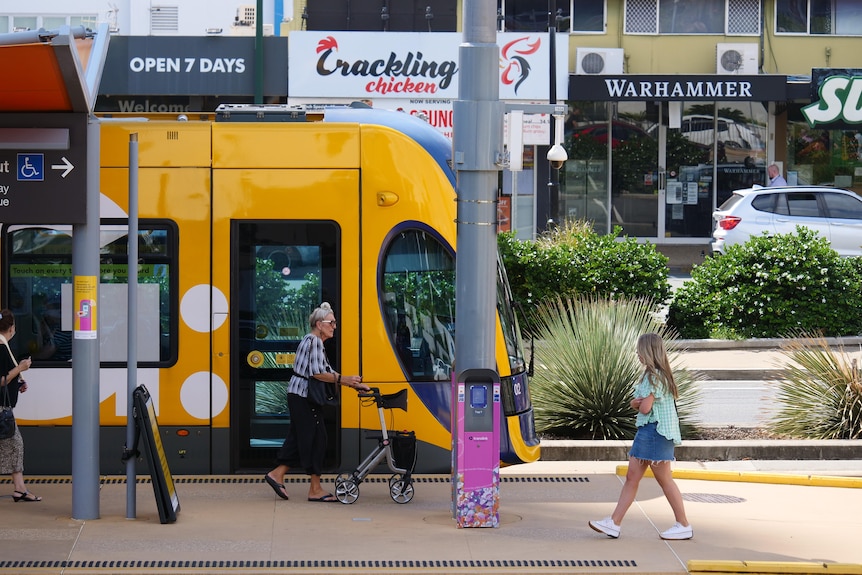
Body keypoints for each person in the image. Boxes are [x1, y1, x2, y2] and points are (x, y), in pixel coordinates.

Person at [589, 333, 691, 540]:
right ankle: (614, 522)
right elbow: (646, 404)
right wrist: (638, 403)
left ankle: (683, 524)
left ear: (648, 352)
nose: (637, 354)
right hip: (655, 433)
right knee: (633, 478)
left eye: (639, 351)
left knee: (660, 480)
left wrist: (635, 404)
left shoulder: (652, 377)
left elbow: (644, 408)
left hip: (654, 432)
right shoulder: (662, 375)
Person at [264, 302, 369, 502]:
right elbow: (317, 374)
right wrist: (344, 380)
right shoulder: (314, 342)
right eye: (332, 322)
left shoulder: (312, 341)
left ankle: (277, 474)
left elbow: (326, 370)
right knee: (316, 440)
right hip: (303, 397)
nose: (334, 326)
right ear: (320, 324)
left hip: (300, 396)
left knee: (300, 438)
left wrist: (352, 384)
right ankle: (314, 489)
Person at [0, 309, 40, 502]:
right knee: (16, 445)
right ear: (12, 327)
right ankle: (20, 489)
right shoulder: (0, 347)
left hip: (4, 409)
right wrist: (21, 368)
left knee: (15, 445)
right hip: (1, 410)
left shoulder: (3, 345)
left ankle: (19, 488)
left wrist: (18, 381)